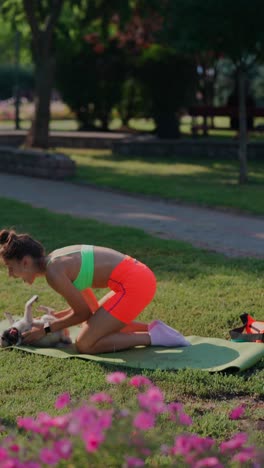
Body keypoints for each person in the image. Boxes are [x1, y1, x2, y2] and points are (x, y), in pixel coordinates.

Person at [0, 229, 190, 353]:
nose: (10, 274)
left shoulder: (54, 273)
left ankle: (154, 337)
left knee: (85, 344)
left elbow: (82, 313)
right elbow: (89, 307)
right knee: (94, 324)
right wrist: (60, 316)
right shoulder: (57, 260)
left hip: (135, 285)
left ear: (25, 262)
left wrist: (47, 328)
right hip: (139, 278)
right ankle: (155, 329)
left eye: (10, 267)